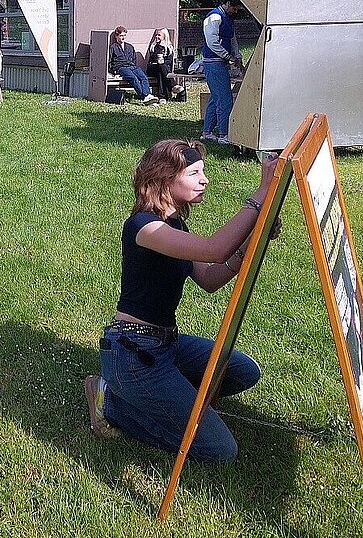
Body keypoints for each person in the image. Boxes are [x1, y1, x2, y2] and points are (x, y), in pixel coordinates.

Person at [84, 140, 279, 461]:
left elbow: (210, 277)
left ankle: (165, 397)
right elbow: (215, 250)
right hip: (133, 355)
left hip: (166, 346)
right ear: (163, 179)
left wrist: (252, 243)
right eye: (194, 173)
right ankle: (111, 402)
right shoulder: (143, 227)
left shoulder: (175, 225)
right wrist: (262, 193)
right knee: (219, 449)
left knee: (243, 371)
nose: (205, 180)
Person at [201, 0, 245, 144]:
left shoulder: (228, 19)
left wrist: (237, 56)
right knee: (225, 100)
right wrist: (229, 57)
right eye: (235, 8)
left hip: (220, 62)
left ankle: (207, 132)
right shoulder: (214, 17)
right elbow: (212, 42)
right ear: (226, 3)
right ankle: (223, 135)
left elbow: (233, 40)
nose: (236, 11)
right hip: (213, 62)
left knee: (215, 98)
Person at [109, 26, 157, 105]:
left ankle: (147, 95)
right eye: (121, 36)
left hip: (132, 66)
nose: (123, 37)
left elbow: (134, 59)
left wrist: (133, 65)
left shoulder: (129, 46)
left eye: (124, 35)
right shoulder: (113, 47)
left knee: (143, 77)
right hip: (121, 67)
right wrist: (112, 71)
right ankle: (145, 97)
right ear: (116, 36)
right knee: (133, 78)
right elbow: (110, 60)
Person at [145, 28, 185, 103]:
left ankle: (162, 97)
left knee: (161, 72)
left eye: (159, 35)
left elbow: (169, 62)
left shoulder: (169, 48)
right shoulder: (154, 46)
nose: (156, 37)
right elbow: (151, 60)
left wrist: (162, 61)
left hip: (162, 70)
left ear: (164, 37)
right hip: (152, 68)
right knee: (161, 67)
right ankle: (173, 85)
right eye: (156, 35)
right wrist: (160, 48)